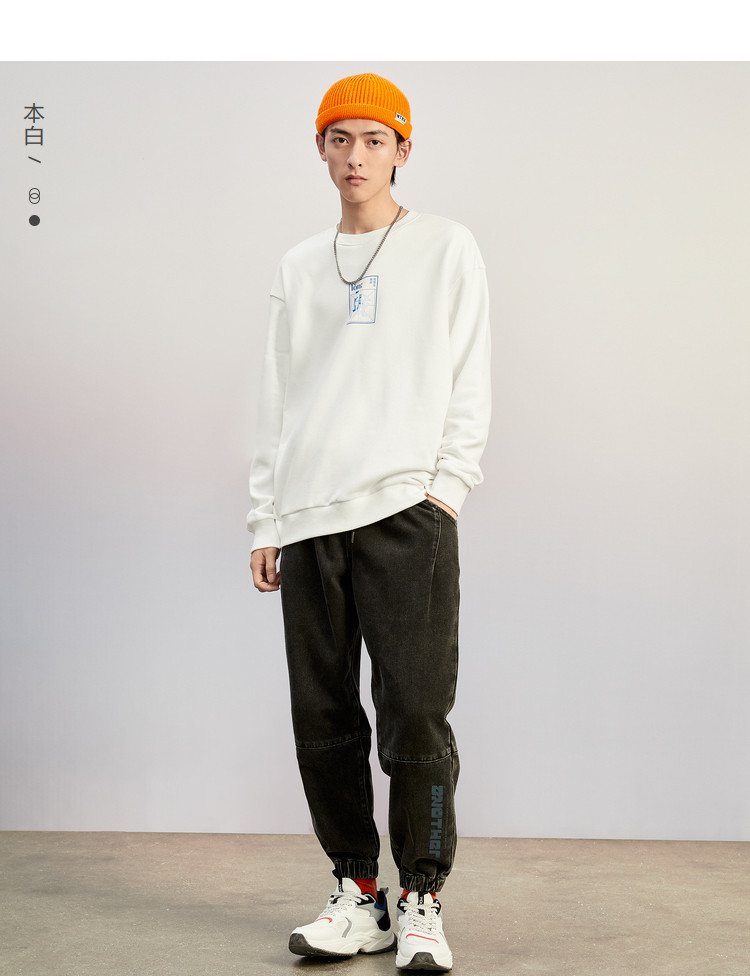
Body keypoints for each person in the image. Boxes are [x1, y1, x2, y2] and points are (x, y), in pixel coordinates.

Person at [247, 72, 491, 973]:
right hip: (309, 517)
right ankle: (359, 894)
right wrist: (265, 517)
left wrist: (445, 490)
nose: (356, 156)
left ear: (403, 150)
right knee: (322, 716)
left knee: (416, 715)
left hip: (405, 514)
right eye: (340, 138)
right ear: (321, 148)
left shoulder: (445, 247)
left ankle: (422, 895)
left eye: (375, 139)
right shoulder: (299, 265)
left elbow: (469, 373)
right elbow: (277, 398)